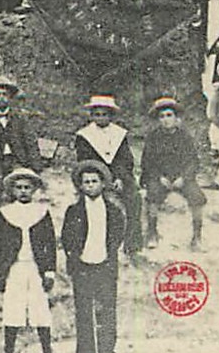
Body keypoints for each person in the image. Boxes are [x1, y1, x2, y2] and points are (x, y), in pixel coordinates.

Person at [0, 167, 58, 353]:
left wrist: (49, 271)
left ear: (34, 189)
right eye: (18, 187)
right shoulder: (5, 214)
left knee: (40, 311)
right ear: (12, 190)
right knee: (13, 311)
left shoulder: (42, 213)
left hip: (36, 268)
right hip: (15, 269)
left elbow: (49, 243)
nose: (23, 191)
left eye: (27, 187)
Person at [60, 160, 124, 353]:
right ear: (80, 186)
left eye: (94, 181)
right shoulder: (74, 211)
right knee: (84, 313)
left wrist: (109, 254)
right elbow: (67, 237)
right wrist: (74, 258)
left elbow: (118, 235)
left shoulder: (113, 211)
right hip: (83, 268)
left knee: (107, 312)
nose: (90, 186)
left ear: (103, 183)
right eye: (86, 182)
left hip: (105, 266)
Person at [72, 94, 139, 253]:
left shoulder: (119, 134)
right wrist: (105, 180)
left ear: (111, 116)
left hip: (118, 176)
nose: (101, 118)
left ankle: (132, 243)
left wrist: (119, 177)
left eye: (104, 114)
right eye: (97, 114)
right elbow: (85, 160)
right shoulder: (84, 135)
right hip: (94, 175)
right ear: (92, 115)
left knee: (134, 198)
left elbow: (126, 159)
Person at [141, 96, 206, 248]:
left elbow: (193, 161)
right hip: (160, 177)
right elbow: (147, 162)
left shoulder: (185, 136)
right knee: (152, 195)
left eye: (169, 115)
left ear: (176, 117)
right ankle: (152, 233)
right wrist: (159, 177)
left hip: (181, 178)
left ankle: (197, 237)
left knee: (197, 197)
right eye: (162, 116)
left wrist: (184, 177)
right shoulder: (153, 137)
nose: (166, 120)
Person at [0, 74, 42, 204]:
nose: (1, 98)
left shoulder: (20, 118)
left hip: (17, 160)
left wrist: (36, 167)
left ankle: (17, 213)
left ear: (10, 97)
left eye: (4, 94)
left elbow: (30, 142)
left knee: (21, 183)